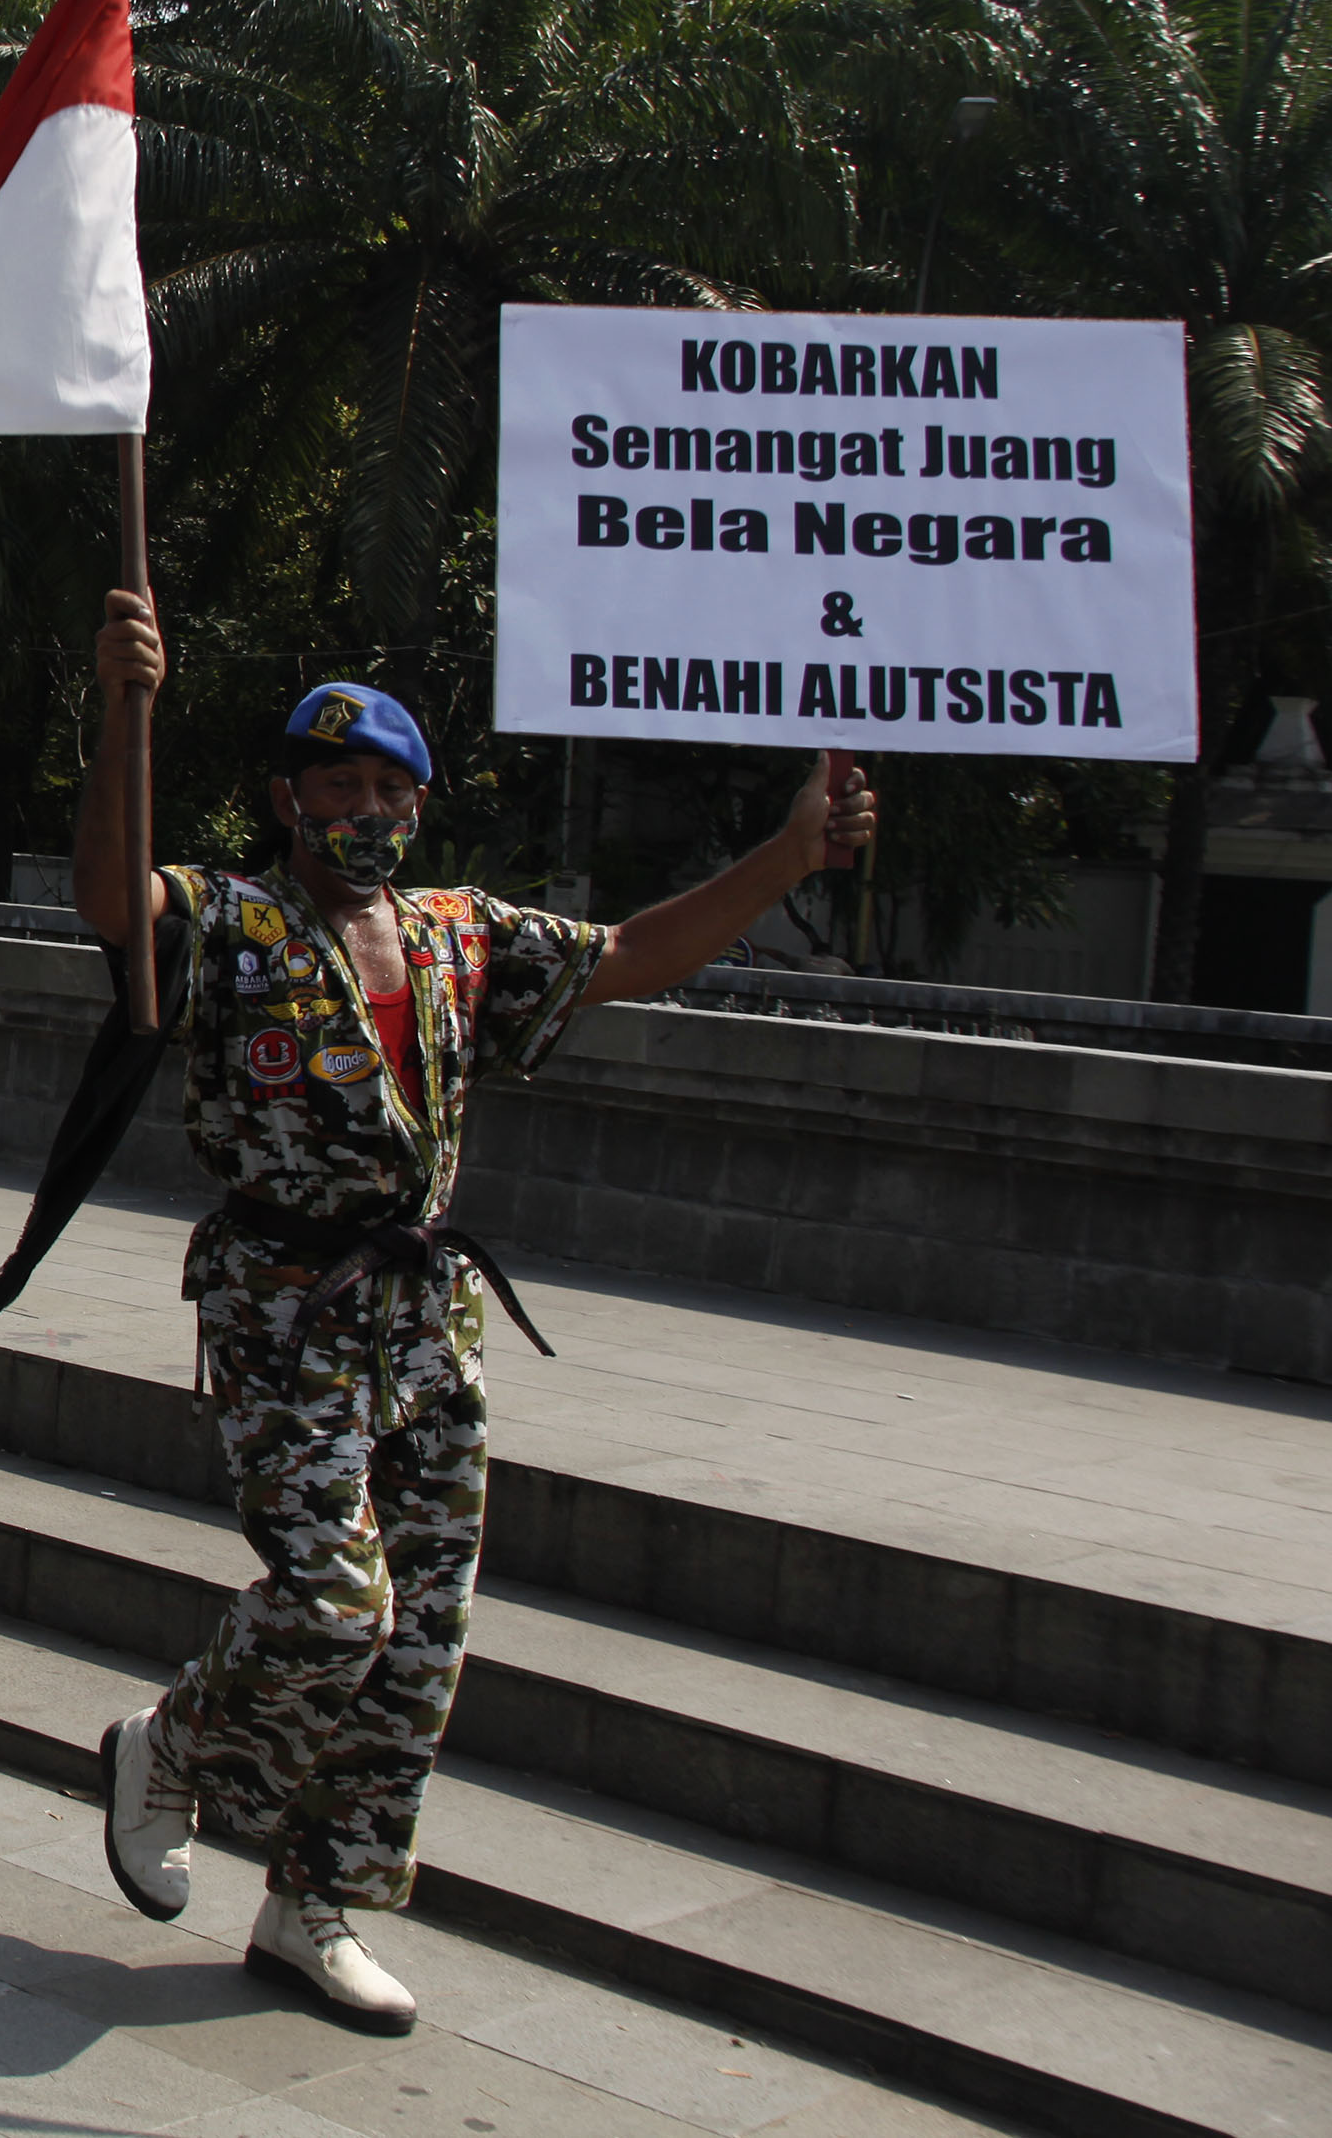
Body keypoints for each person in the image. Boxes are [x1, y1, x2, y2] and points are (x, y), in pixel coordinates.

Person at [75, 592, 877, 2032]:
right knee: (335, 1602)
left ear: (421, 804)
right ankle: (172, 1745)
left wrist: (791, 851)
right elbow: (110, 906)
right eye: (338, 783)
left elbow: (633, 949)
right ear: (288, 797)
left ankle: (317, 1901)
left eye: (391, 786)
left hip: (430, 1325)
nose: (367, 807)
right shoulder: (236, 921)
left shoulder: (460, 937)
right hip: (286, 1310)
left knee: (426, 1634)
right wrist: (122, 716)